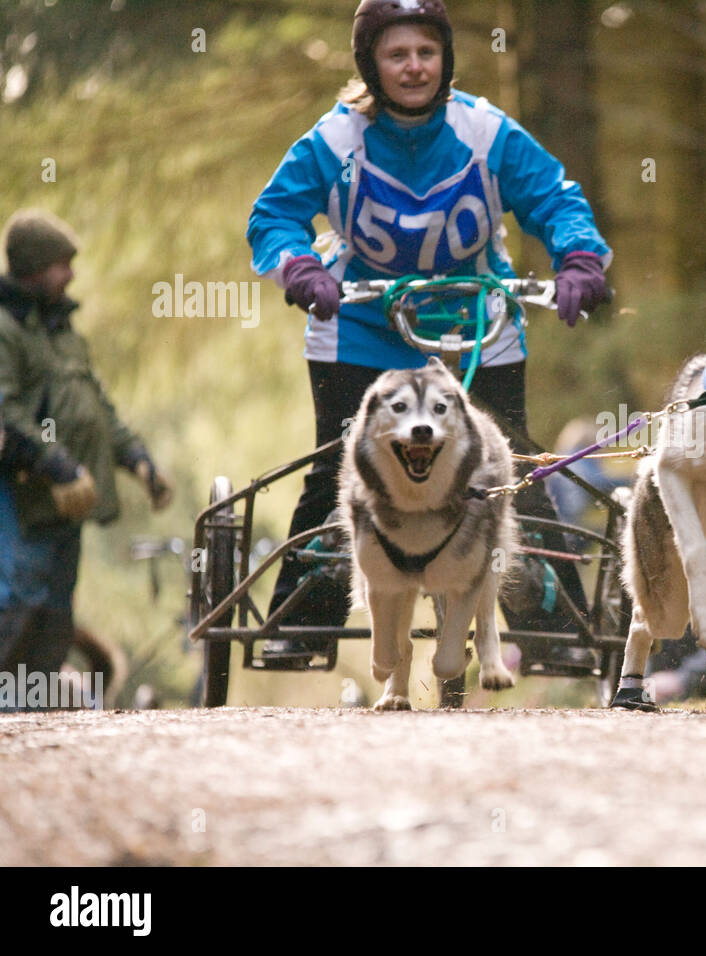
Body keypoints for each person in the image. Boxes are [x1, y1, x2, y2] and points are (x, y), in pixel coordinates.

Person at [247, 0, 611, 662]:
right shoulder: (335, 140)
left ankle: (557, 634)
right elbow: (274, 216)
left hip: (477, 324)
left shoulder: (484, 130)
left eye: (426, 52)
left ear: (444, 59)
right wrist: (300, 268)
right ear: (371, 64)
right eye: (396, 54)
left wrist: (579, 258)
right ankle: (302, 625)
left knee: (513, 470)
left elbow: (555, 198)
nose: (413, 67)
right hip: (359, 326)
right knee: (337, 464)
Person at [0, 209, 172, 703]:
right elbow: (5, 412)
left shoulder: (63, 332)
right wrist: (54, 464)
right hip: (22, 492)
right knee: (18, 598)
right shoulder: (7, 329)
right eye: (61, 263)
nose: (70, 273)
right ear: (33, 265)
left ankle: (25, 710)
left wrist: (137, 458)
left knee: (55, 606)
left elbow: (96, 407)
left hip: (66, 498)